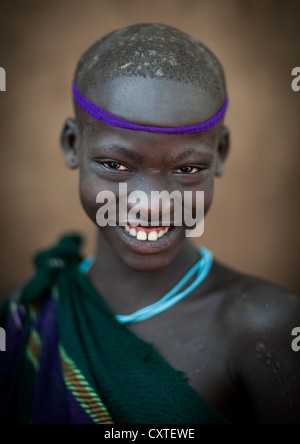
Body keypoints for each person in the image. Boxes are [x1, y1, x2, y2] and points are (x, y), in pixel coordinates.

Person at [1, 23, 299, 425]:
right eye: (115, 165)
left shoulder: (265, 327)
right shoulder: (28, 312)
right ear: (73, 144)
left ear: (222, 152)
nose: (151, 205)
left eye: (188, 168)